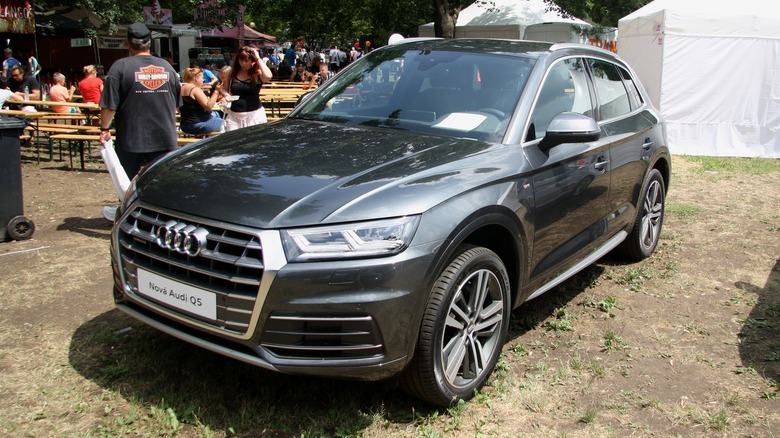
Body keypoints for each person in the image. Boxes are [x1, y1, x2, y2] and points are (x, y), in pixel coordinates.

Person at [99, 22, 182, 221]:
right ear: (149, 43)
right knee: (162, 180)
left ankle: (128, 214)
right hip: (164, 134)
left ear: (128, 43)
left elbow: (109, 105)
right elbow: (177, 104)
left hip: (131, 136)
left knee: (126, 181)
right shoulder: (167, 67)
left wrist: (104, 128)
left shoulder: (120, 67)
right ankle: (164, 217)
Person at [218, 46, 272, 131]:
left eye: (246, 60)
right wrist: (226, 95)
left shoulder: (257, 74)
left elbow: (268, 76)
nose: (243, 63)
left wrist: (258, 58)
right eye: (241, 60)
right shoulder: (232, 74)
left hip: (254, 116)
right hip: (234, 117)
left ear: (252, 61)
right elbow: (224, 88)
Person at [179, 67, 223, 135]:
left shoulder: (180, 89)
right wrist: (216, 91)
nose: (203, 80)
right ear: (196, 78)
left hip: (185, 125)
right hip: (200, 124)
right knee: (228, 124)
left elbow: (178, 109)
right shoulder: (195, 89)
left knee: (215, 116)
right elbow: (209, 106)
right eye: (202, 78)